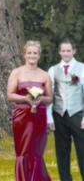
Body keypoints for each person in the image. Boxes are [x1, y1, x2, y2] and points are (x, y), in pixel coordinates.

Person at [7, 40, 52, 181]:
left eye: (35, 53)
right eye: (29, 53)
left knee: (37, 152)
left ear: (39, 55)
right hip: (22, 116)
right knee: (23, 151)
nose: (32, 56)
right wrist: (26, 98)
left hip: (39, 116)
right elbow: (9, 95)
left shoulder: (45, 75)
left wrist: (40, 100)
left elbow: (49, 98)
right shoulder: (16, 73)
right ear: (24, 54)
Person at [47, 38, 84, 181]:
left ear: (74, 51)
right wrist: (49, 118)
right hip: (59, 115)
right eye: (63, 50)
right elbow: (49, 94)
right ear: (59, 52)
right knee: (62, 151)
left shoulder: (82, 68)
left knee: (82, 150)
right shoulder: (53, 70)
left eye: (68, 50)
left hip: (78, 115)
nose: (66, 53)